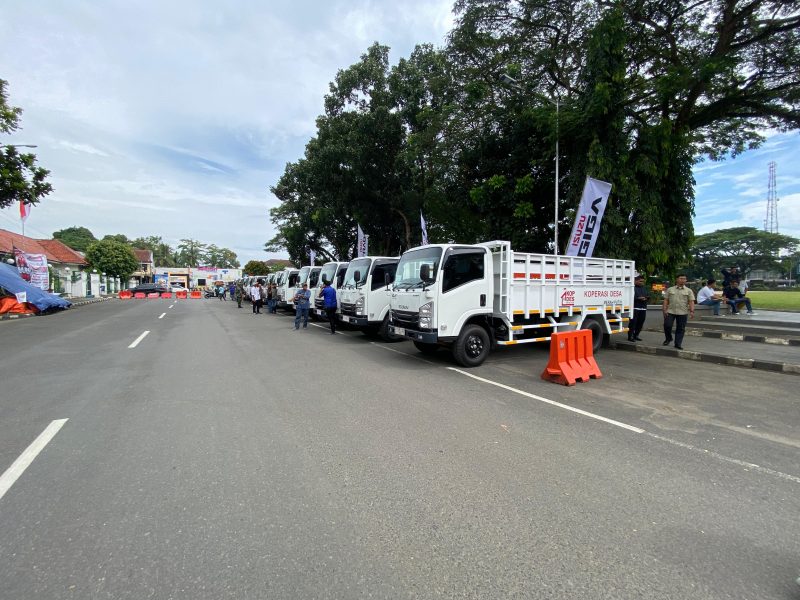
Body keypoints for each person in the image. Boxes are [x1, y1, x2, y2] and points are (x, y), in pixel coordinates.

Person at [662, 274, 694, 350]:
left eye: (684, 279)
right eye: (681, 278)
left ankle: (678, 343)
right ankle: (668, 338)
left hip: (683, 312)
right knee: (667, 325)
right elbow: (666, 300)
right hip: (670, 311)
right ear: (677, 279)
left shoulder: (689, 291)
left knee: (681, 328)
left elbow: (691, 301)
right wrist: (664, 309)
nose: (683, 280)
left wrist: (692, 311)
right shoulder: (670, 289)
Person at [628, 275, 648, 341]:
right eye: (640, 281)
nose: (642, 283)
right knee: (633, 323)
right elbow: (629, 298)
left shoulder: (644, 288)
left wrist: (646, 298)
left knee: (640, 323)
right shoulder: (632, 288)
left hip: (643, 308)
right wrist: (638, 298)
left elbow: (648, 295)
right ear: (635, 281)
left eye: (643, 281)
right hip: (635, 308)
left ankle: (636, 335)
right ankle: (630, 336)